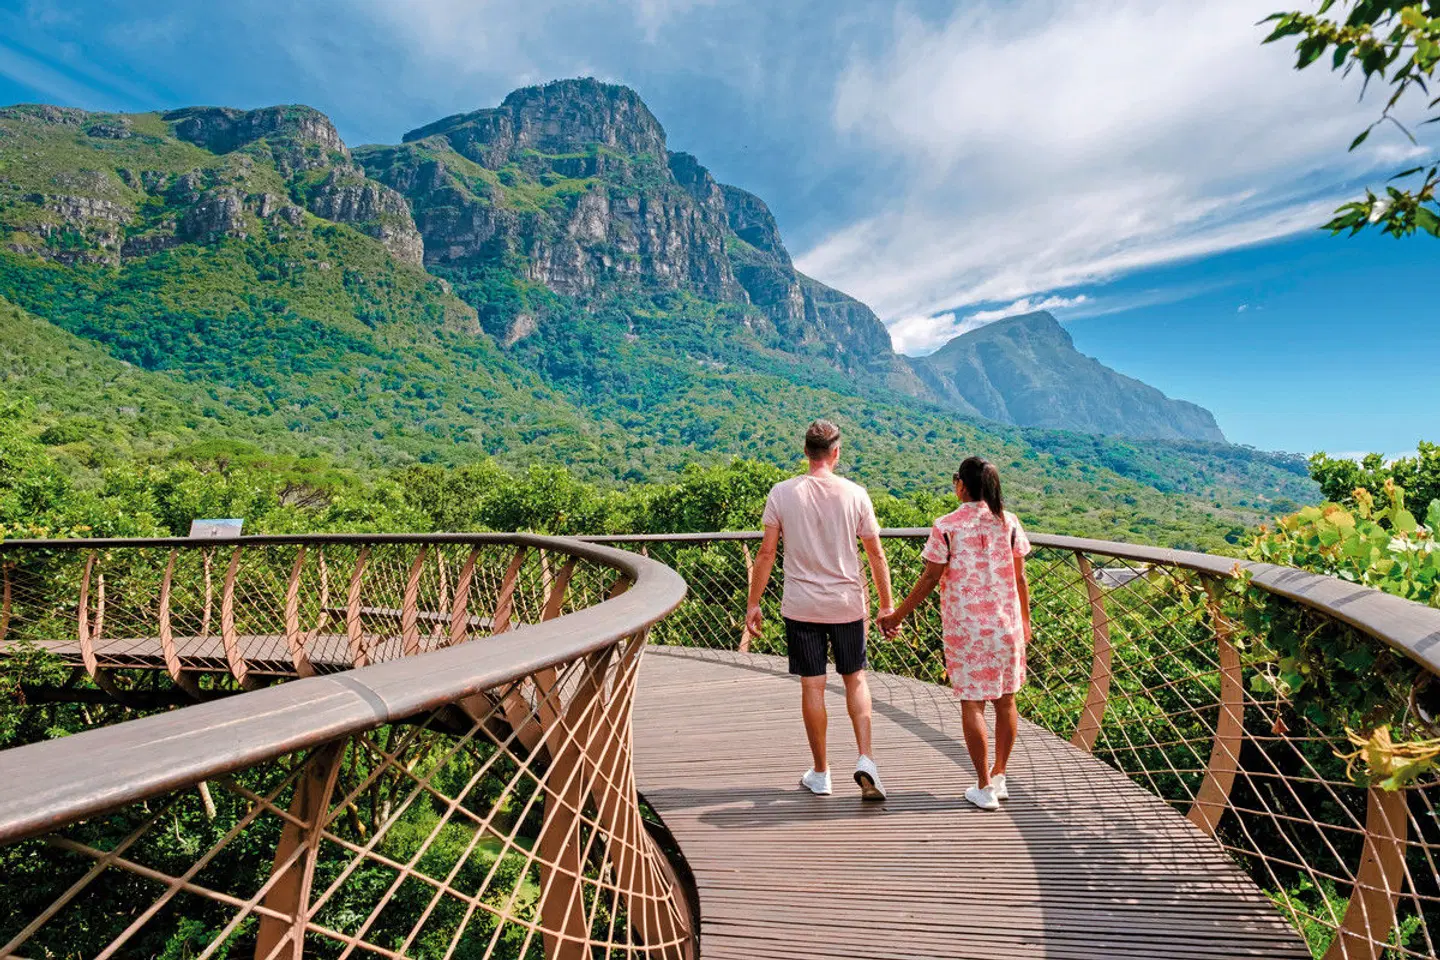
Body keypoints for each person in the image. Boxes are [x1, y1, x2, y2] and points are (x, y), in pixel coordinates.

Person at [746, 419, 895, 800]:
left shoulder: (782, 493)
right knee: (855, 679)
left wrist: (753, 602)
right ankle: (866, 759)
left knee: (812, 685)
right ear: (835, 452)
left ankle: (821, 772)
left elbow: (766, 553)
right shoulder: (855, 494)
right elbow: (875, 553)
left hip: (802, 606)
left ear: (806, 452)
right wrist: (887, 604)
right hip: (846, 605)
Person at [879, 456, 1031, 811]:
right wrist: (1025, 621)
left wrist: (895, 615)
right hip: (1006, 627)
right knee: (1007, 700)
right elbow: (1020, 577)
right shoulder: (1009, 523)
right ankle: (1000, 776)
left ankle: (983, 786)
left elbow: (931, 578)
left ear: (961, 484)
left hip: (967, 629)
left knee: (973, 703)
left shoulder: (946, 525)